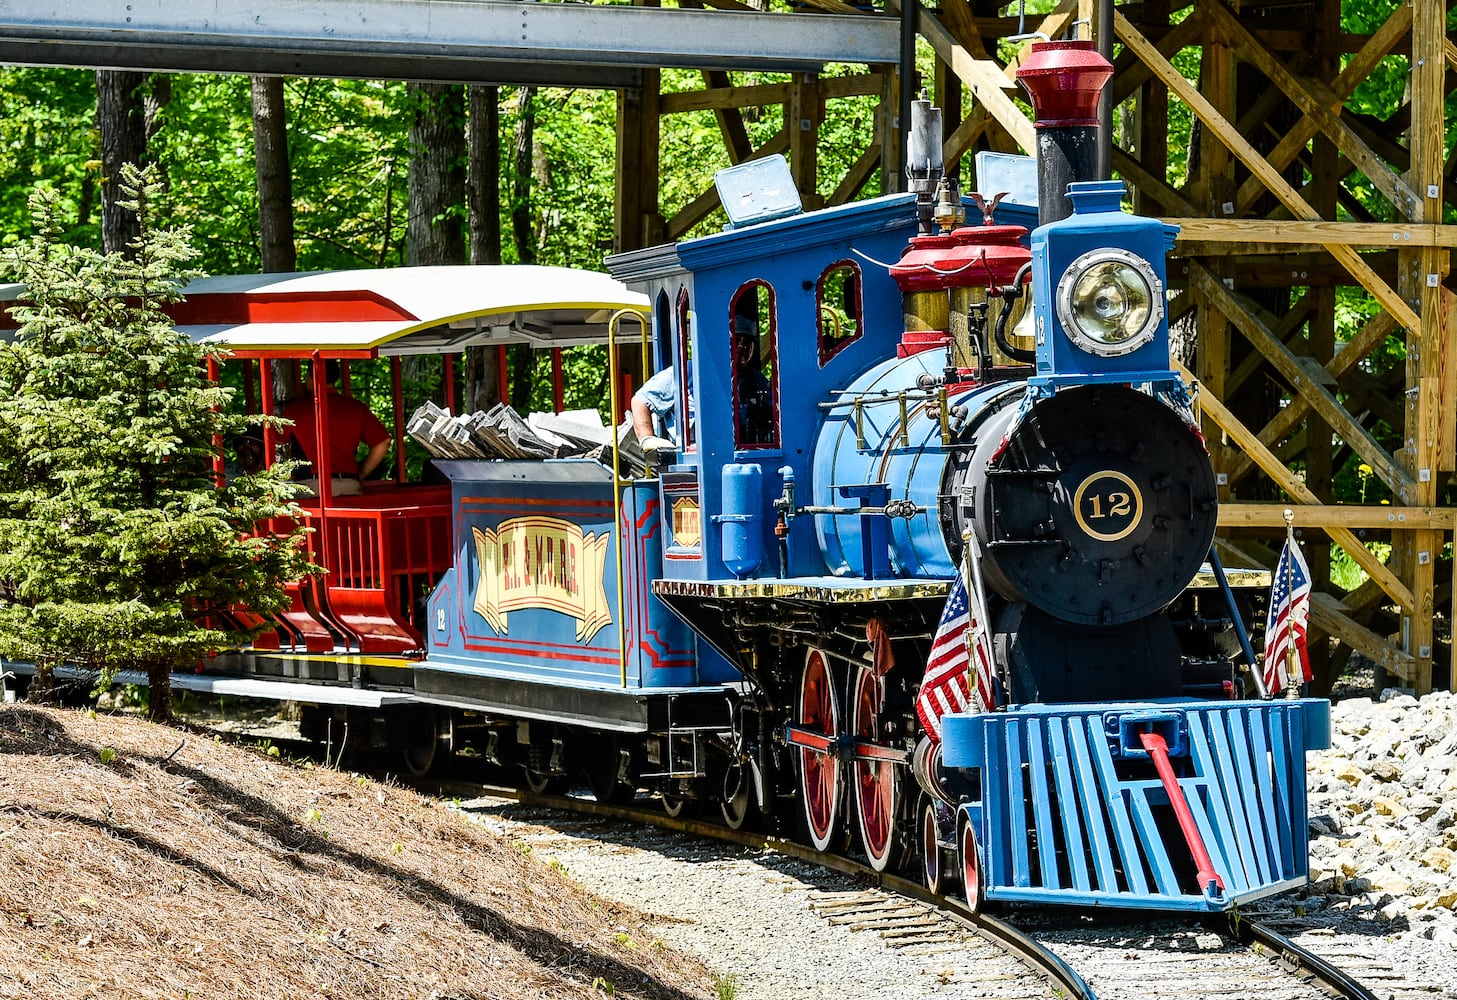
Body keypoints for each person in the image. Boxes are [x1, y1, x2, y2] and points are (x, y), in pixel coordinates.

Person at [284, 359, 390, 497]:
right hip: (349, 485)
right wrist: (361, 473)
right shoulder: (356, 408)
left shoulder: (296, 410)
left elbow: (276, 440)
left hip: (312, 487)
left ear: (310, 378)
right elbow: (383, 442)